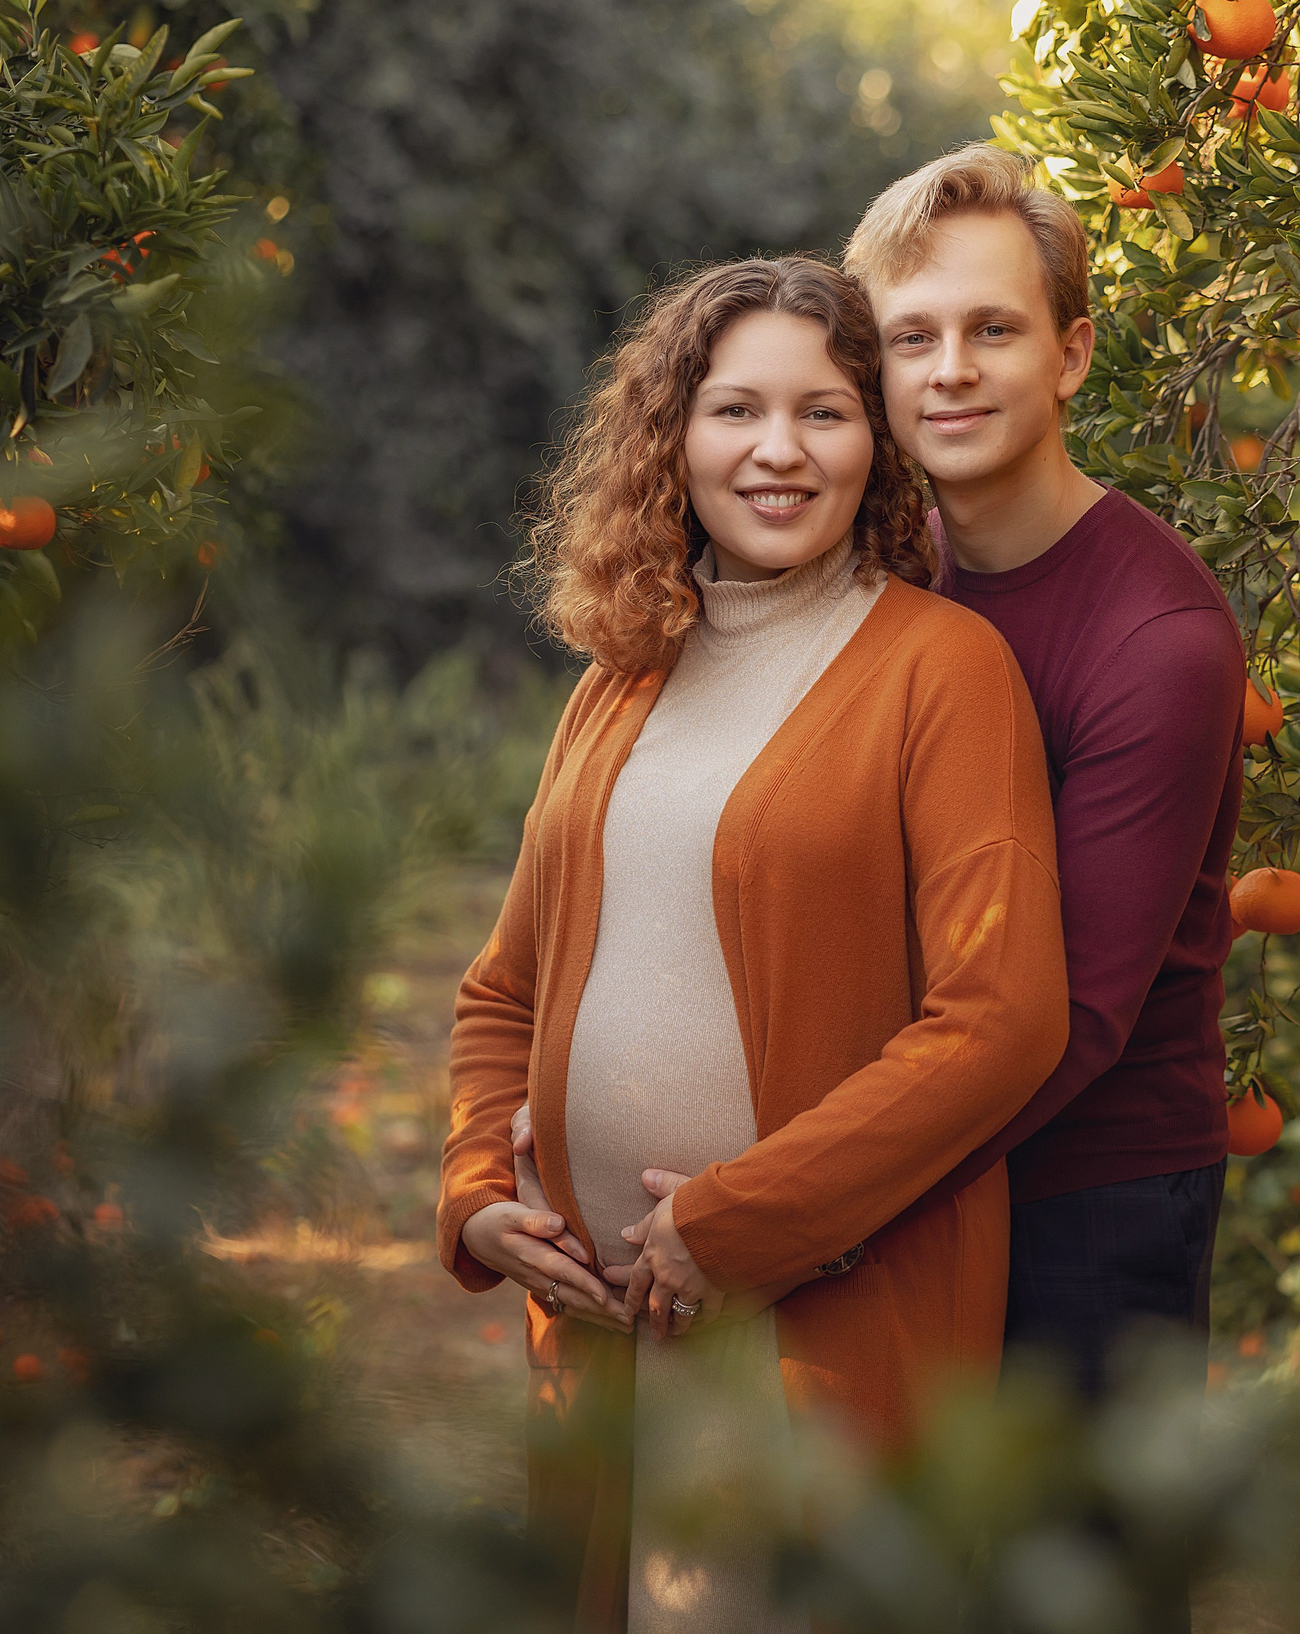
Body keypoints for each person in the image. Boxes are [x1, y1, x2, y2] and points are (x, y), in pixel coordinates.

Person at [435, 256, 1068, 1632]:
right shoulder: (622, 674)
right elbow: (505, 989)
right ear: (674, 438)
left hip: (810, 1322)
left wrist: (734, 1222)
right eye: (735, 411)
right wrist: (482, 1188)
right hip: (597, 1333)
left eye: (825, 413)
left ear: (878, 441)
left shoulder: (940, 671)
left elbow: (1003, 1014)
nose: (778, 451)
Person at [842, 144, 1246, 1401]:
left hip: (1089, 1202)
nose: (949, 370)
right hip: (912, 1150)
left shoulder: (1158, 640)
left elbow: (1064, 1019)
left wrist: (813, 1185)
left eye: (993, 330)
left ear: (1069, 355)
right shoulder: (886, 575)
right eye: (911, 338)